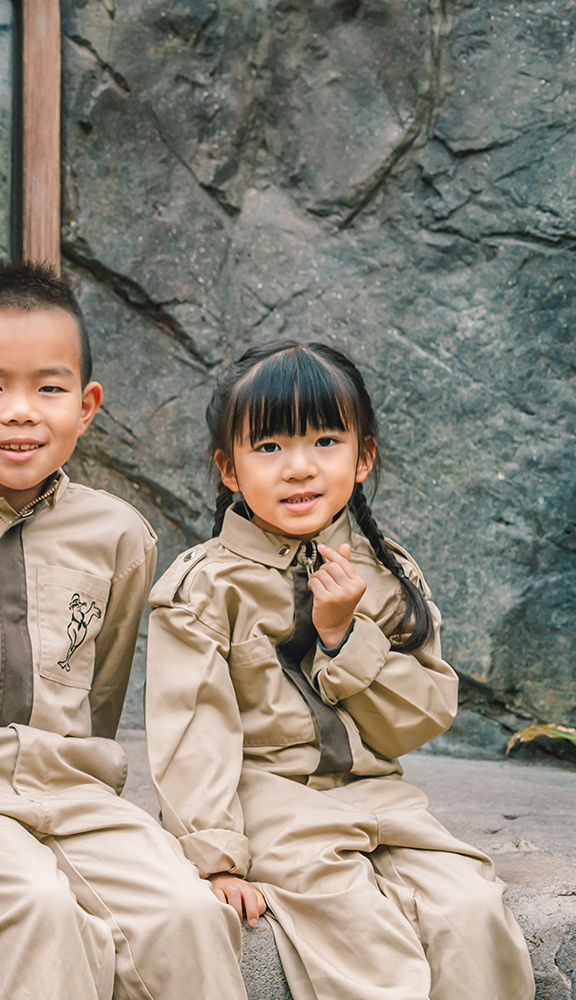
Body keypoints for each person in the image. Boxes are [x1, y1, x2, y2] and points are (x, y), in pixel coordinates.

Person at [0, 260, 248, 1000]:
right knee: (39, 909)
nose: (21, 412)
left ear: (87, 405)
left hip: (73, 790)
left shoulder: (118, 535)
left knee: (188, 912)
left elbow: (103, 693)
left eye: (49, 388)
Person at [144, 341, 535, 1000]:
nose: (299, 467)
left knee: (472, 912)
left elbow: (419, 719)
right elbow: (193, 732)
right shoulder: (204, 587)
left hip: (382, 799)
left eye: (326, 441)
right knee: (364, 940)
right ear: (229, 469)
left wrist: (345, 636)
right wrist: (216, 859)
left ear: (363, 458)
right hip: (271, 805)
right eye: (269, 446)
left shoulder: (387, 573)